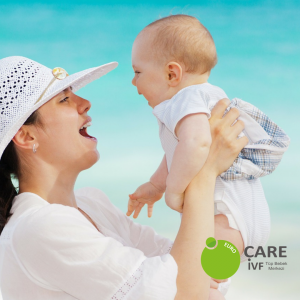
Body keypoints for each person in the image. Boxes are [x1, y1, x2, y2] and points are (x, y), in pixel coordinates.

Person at [0, 56, 247, 300]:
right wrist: (205, 170)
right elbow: (185, 292)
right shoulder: (39, 227)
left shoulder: (92, 204)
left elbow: (203, 270)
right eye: (64, 99)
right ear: (26, 137)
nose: (85, 102)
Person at [128, 14, 290, 297]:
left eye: (138, 72)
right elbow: (179, 152)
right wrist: (156, 185)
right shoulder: (207, 95)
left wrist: (174, 191)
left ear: (172, 74)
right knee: (207, 279)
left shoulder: (184, 99)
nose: (133, 82)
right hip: (242, 217)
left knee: (195, 284)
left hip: (226, 216)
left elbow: (197, 143)